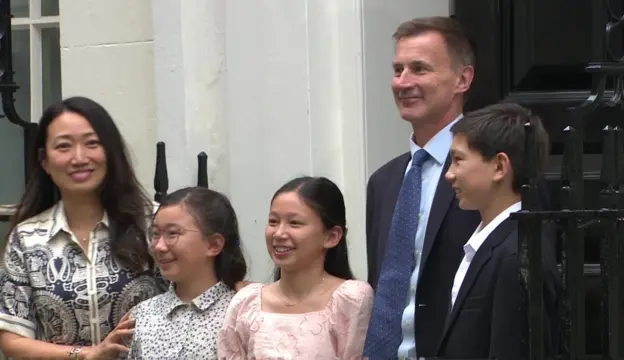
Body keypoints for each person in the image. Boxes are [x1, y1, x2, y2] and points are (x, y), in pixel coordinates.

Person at [0, 96, 166, 359]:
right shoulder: (27, 238)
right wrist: (86, 355)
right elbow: (13, 339)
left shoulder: (155, 224)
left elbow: (195, 297)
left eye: (92, 144)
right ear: (45, 161)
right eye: (64, 146)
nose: (79, 158)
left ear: (109, 152)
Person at [363, 16, 480, 359]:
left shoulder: (489, 170)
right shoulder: (383, 182)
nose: (402, 82)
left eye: (419, 69)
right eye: (397, 70)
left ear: (463, 78)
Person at [440, 102, 560, 358]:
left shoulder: (516, 253)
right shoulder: (490, 242)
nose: (449, 174)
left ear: (499, 167)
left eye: (458, 160)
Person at [217, 176, 374, 360]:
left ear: (332, 236)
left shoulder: (351, 299)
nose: (279, 233)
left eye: (295, 223)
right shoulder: (246, 302)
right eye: (273, 221)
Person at [126, 187, 247, 359]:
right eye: (155, 234)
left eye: (172, 233)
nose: (159, 246)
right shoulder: (143, 314)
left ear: (213, 245)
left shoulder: (241, 312)